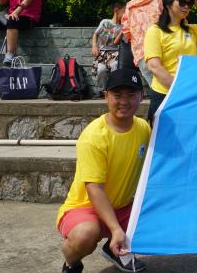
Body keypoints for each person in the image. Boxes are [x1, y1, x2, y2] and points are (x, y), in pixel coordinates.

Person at [56, 67, 150, 273]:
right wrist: (116, 228)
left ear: (142, 96)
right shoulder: (94, 137)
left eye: (131, 95)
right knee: (85, 235)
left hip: (123, 206)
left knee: (163, 218)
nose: (124, 101)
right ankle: (71, 263)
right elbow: (94, 189)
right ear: (106, 96)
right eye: (117, 95)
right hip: (86, 208)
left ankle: (114, 249)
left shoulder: (144, 128)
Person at [144, 0, 197, 124]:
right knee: (161, 135)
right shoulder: (155, 31)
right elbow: (154, 66)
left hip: (187, 92)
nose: (186, 6)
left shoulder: (190, 30)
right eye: (182, 2)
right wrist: (178, 88)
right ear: (168, 3)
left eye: (189, 3)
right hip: (165, 94)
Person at [121, 0, 166, 85]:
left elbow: (126, 31)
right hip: (164, 51)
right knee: (171, 91)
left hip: (141, 54)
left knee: (156, 89)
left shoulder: (131, 4)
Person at [91, 2, 125, 96]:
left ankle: (113, 88)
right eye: (124, 11)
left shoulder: (122, 26)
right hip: (102, 53)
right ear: (116, 10)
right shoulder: (105, 22)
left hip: (115, 53)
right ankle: (101, 90)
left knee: (115, 66)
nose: (125, 14)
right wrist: (94, 46)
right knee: (101, 70)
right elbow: (95, 34)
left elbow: (117, 42)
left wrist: (123, 30)